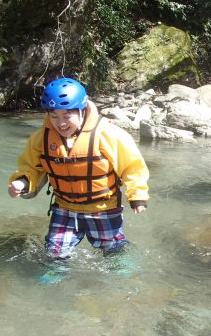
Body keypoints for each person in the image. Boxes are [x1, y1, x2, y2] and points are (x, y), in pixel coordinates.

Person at [8, 77, 149, 260]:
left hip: (103, 208)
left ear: (82, 111)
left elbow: (132, 166)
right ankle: (52, 284)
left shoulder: (108, 134)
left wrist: (137, 196)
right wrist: (22, 182)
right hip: (64, 208)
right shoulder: (41, 138)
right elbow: (32, 167)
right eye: (54, 116)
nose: (61, 123)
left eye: (67, 116)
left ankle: (123, 283)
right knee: (54, 255)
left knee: (114, 254)